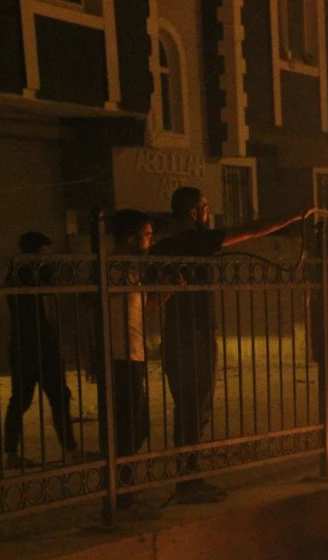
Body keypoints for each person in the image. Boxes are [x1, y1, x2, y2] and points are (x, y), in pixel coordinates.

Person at [151, 187, 313, 504]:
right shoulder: (195, 241)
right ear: (194, 213)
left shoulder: (166, 246)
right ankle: (187, 482)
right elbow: (249, 231)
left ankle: (188, 479)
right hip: (194, 338)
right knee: (195, 411)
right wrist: (293, 216)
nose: (209, 213)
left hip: (177, 337)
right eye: (206, 208)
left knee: (189, 410)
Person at [105, 209, 175, 519]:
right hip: (119, 357)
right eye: (147, 235)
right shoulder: (114, 267)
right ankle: (121, 491)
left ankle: (123, 486)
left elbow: (144, 308)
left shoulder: (130, 268)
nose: (151, 240)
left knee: (137, 425)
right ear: (132, 237)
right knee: (128, 427)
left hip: (133, 354)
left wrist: (169, 288)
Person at [4, 231, 78, 469]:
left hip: (21, 343)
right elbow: (49, 307)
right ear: (37, 251)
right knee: (58, 396)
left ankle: (10, 452)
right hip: (42, 344)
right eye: (46, 250)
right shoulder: (40, 271)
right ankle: (71, 450)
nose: (49, 255)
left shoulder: (13, 274)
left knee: (21, 399)